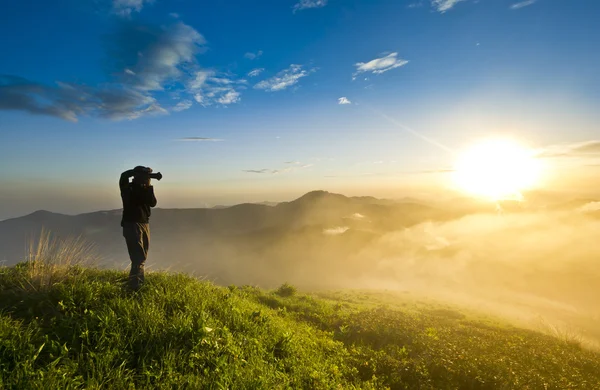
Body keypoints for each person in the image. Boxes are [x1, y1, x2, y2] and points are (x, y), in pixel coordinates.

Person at [119, 166, 157, 290]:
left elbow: (152, 203)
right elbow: (123, 176)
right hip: (132, 224)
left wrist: (148, 185)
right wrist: (137, 173)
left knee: (141, 256)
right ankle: (136, 286)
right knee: (138, 257)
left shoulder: (145, 189)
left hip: (144, 223)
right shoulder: (128, 188)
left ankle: (135, 283)